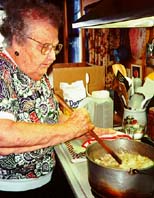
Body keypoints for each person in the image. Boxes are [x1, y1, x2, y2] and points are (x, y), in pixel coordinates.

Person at [0, 0, 115, 197]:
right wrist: (70, 129)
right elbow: (3, 135)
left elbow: (51, 115)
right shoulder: (3, 73)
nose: (52, 56)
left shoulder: (36, 71)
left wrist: (90, 131)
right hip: (14, 189)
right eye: (45, 47)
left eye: (55, 47)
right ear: (17, 40)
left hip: (46, 177)